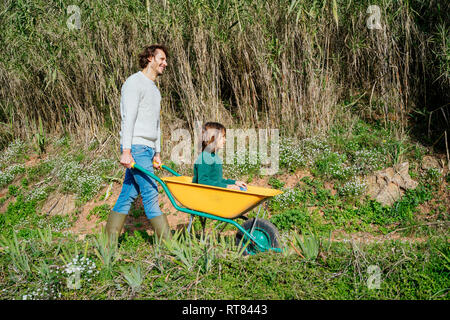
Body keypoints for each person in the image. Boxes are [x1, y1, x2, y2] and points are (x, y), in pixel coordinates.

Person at [105, 44, 171, 241]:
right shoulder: (134, 83)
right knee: (151, 195)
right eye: (162, 59)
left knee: (127, 196)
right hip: (136, 147)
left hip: (148, 149)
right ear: (150, 58)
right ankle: (172, 249)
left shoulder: (154, 89)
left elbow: (157, 124)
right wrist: (126, 150)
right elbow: (128, 118)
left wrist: (157, 153)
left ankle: (108, 245)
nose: (165, 64)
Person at [192, 122, 247, 191]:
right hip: (204, 194)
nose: (225, 140)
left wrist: (234, 182)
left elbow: (218, 181)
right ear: (212, 139)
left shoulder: (214, 156)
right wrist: (226, 186)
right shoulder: (204, 157)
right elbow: (203, 182)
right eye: (222, 137)